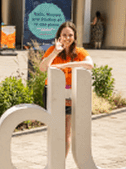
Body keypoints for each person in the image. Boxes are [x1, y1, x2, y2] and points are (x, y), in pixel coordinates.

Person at [39, 21, 94, 157]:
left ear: (74, 37)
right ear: (59, 36)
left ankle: (60, 164)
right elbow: (42, 67)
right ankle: (53, 162)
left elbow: (90, 64)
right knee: (54, 129)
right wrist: (56, 52)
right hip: (53, 92)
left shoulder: (79, 52)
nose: (67, 38)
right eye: (64, 35)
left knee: (66, 131)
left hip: (70, 93)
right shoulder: (52, 50)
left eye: (70, 35)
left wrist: (67, 65)